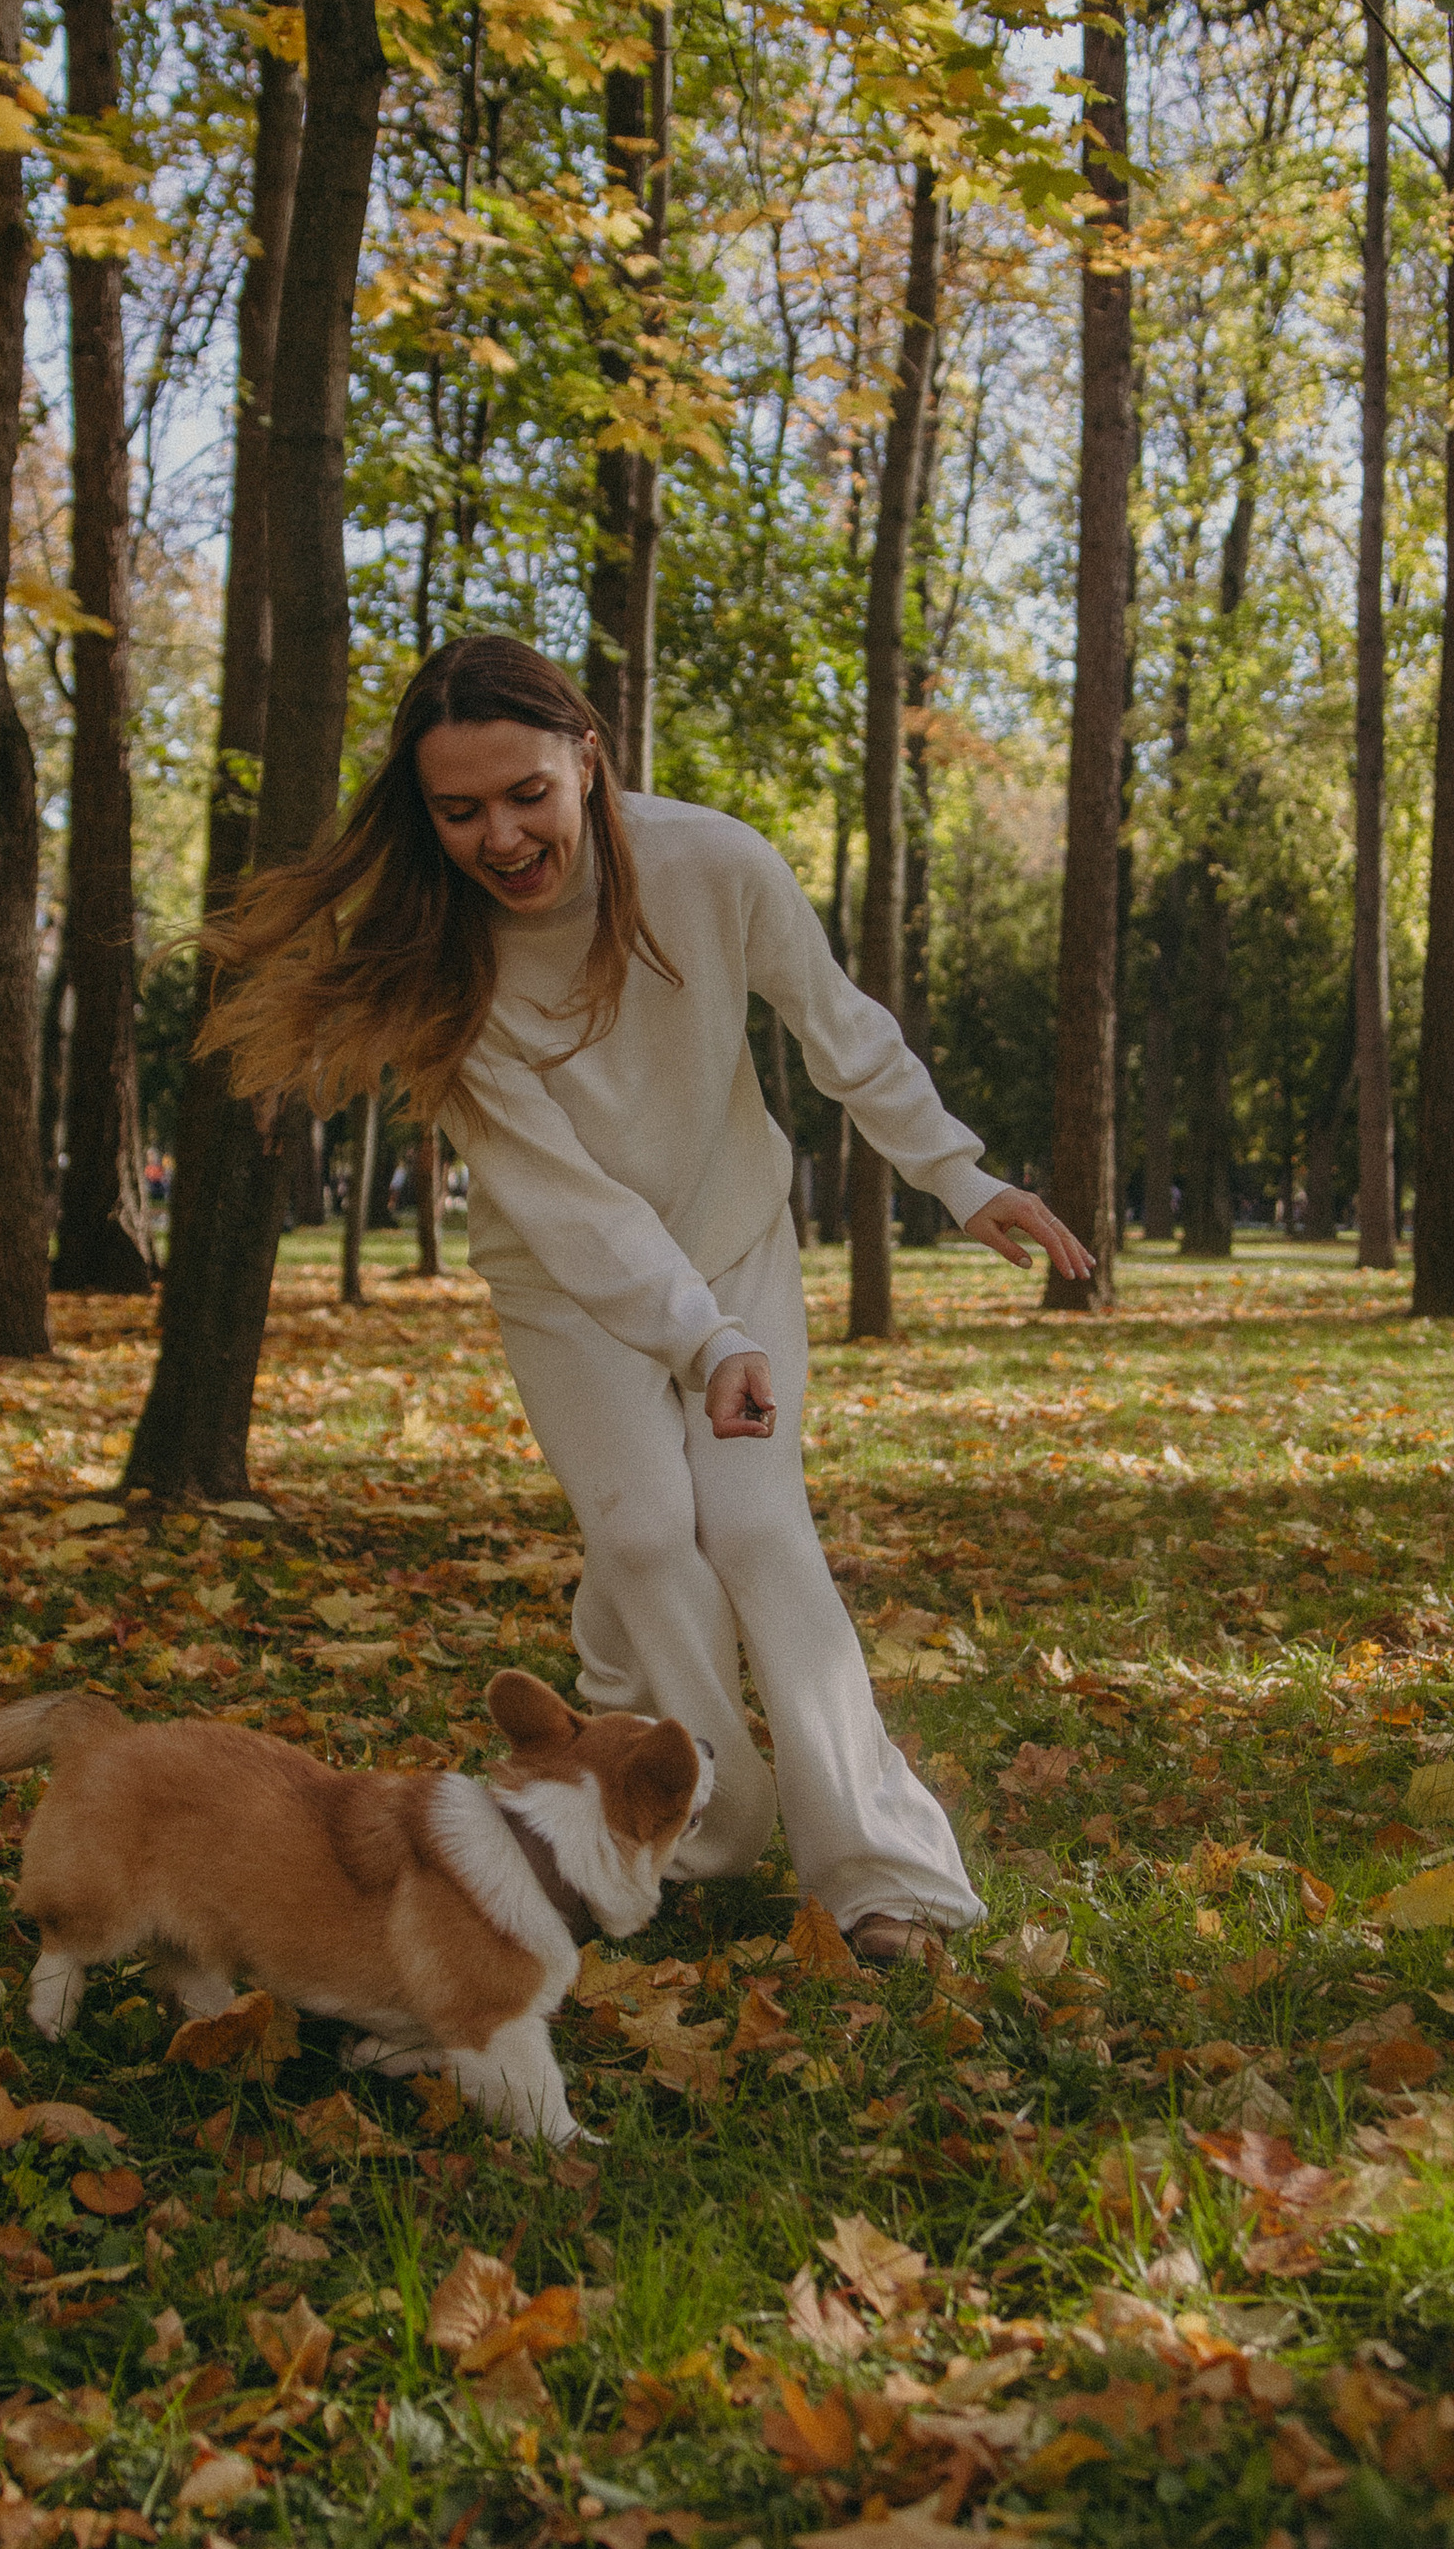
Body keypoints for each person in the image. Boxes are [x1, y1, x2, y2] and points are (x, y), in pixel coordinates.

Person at [204, 632, 1087, 1959]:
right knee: (639, 1537)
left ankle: (881, 1873)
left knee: (755, 1532)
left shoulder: (712, 865)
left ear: (587, 761)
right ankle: (699, 1823)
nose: (499, 836)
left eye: (525, 795)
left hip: (734, 1236)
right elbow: (570, 1207)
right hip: (569, 1282)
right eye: (459, 812)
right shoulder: (447, 960)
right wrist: (697, 1338)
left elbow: (838, 1025)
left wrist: (960, 1180)